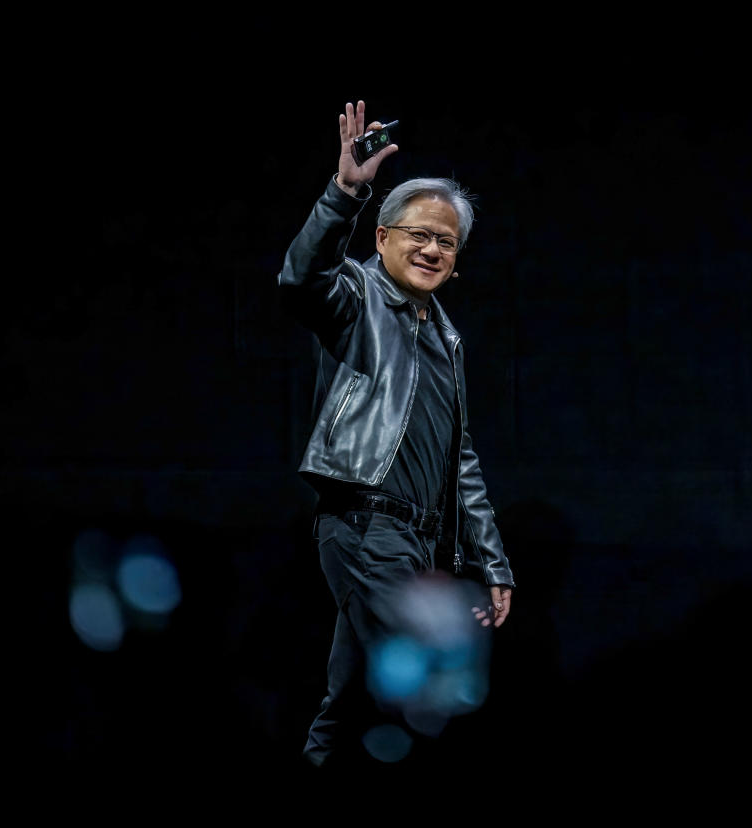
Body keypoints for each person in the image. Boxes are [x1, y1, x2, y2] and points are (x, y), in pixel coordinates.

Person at [279, 101, 516, 768]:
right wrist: (345, 192)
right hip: (364, 526)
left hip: (417, 542)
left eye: (446, 241)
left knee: (349, 702)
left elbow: (459, 459)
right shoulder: (354, 296)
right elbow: (301, 278)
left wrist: (489, 559)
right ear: (381, 239)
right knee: (437, 687)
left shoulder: (446, 337)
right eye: (418, 234)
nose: (432, 248)